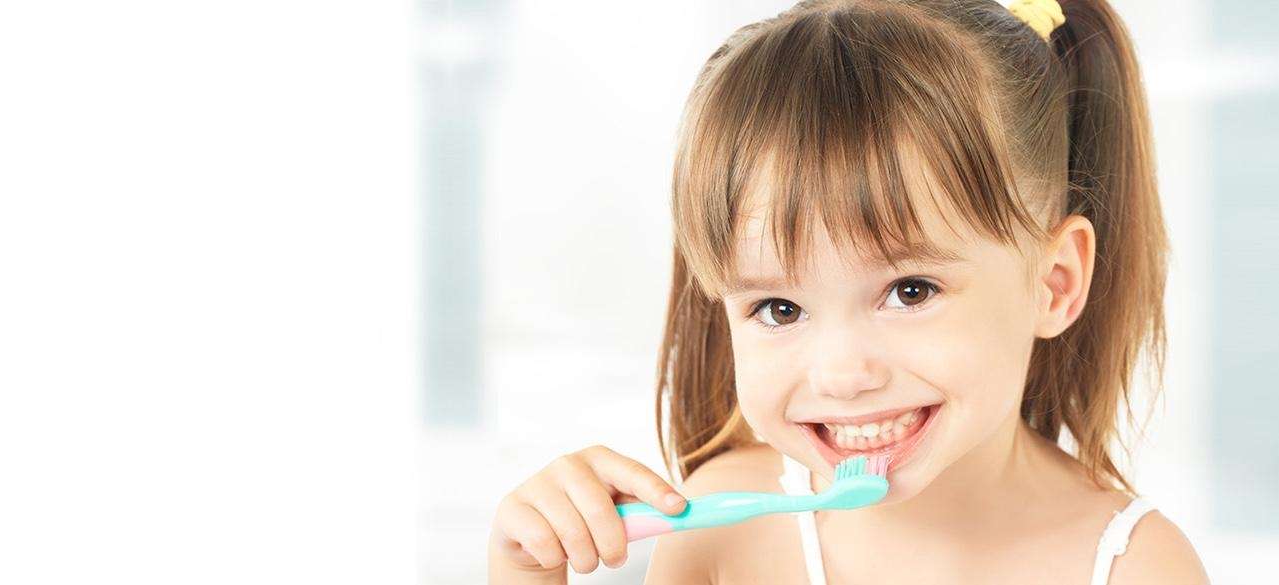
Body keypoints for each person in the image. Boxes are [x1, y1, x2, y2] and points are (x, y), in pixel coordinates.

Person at [487, 0, 1211, 582]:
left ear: (1053, 283)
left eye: (909, 289)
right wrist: (526, 573)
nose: (840, 372)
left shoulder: (1134, 566)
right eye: (779, 308)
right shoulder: (726, 532)